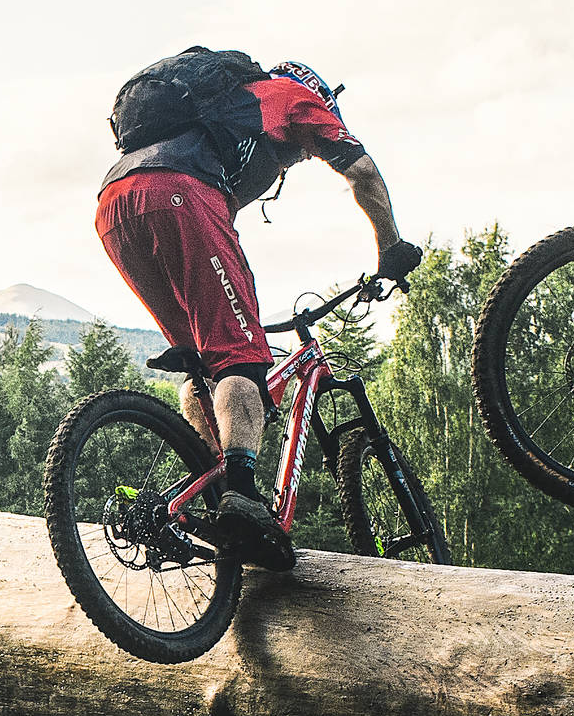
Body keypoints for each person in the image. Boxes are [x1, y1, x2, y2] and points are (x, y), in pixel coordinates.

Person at [95, 53, 423, 567]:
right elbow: (363, 172)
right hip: (180, 193)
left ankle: (211, 498)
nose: (294, 162)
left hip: (114, 203)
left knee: (201, 360)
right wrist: (391, 248)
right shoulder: (294, 98)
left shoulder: (223, 114)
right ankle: (242, 493)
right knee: (240, 358)